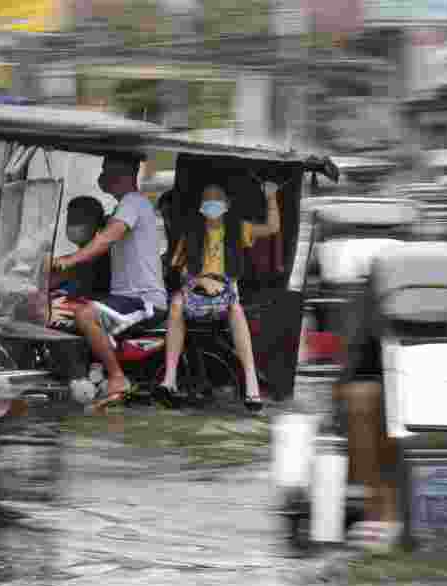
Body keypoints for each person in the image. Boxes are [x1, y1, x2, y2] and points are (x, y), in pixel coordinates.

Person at [155, 180, 280, 412]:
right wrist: (200, 281)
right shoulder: (191, 231)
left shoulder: (239, 228)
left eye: (217, 199)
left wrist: (271, 197)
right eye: (207, 200)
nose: (212, 204)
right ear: (201, 206)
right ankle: (169, 379)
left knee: (236, 310)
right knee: (175, 304)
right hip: (196, 288)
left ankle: (252, 384)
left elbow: (272, 228)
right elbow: (181, 269)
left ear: (227, 204)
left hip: (227, 290)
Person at [52, 155, 167, 409]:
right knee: (65, 310)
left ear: (124, 173)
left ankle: (118, 378)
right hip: (123, 299)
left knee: (84, 313)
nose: (102, 175)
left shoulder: (133, 203)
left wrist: (69, 259)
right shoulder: (123, 207)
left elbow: (105, 239)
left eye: (107, 169)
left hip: (143, 299)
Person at [50, 196, 111, 298]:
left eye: (79, 219)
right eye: (71, 219)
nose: (73, 225)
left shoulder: (99, 258)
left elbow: (74, 272)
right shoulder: (77, 258)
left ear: (97, 223)